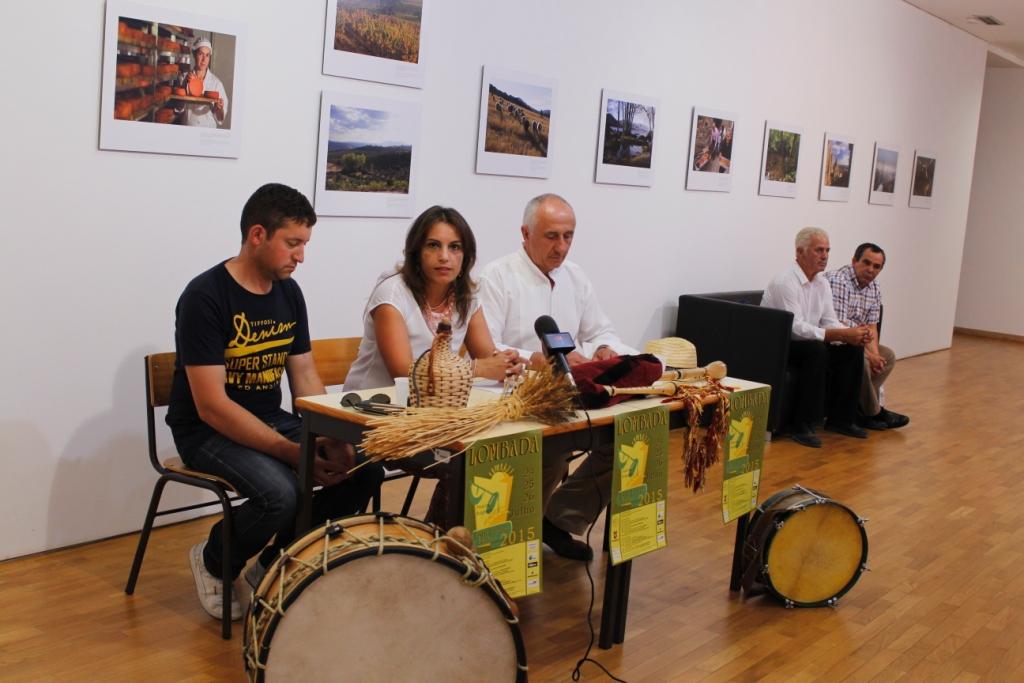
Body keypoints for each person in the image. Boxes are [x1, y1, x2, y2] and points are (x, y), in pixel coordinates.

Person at [166, 183, 383, 621]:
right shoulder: (205, 297)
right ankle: (214, 561)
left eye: (304, 244)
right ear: (258, 235)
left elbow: (304, 375)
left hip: (268, 418)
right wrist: (291, 451)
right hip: (206, 431)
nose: (300, 256)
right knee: (281, 493)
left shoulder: (289, 293)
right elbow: (211, 406)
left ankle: (274, 562)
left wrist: (330, 432)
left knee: (364, 469)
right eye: (293, 243)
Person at [478, 193, 638, 561]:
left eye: (568, 236)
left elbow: (602, 329)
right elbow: (485, 348)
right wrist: (537, 361)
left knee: (625, 441)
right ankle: (509, 538)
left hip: (571, 399)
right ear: (525, 232)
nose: (561, 247)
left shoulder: (576, 277)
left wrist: (602, 350)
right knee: (550, 448)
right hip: (514, 400)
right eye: (552, 236)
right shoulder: (497, 277)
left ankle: (558, 519)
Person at [343, 206, 523, 525]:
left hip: (433, 415)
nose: (445, 256)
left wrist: (508, 363)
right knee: (467, 461)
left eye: (455, 247)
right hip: (375, 415)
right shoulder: (392, 294)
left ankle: (444, 546)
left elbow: (488, 354)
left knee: (506, 452)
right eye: (433, 246)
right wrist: (479, 369)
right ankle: (437, 548)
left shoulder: (467, 295)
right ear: (416, 251)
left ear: (466, 256)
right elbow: (405, 371)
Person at [761, 227, 872, 448]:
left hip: (808, 341)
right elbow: (794, 327)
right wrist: (836, 334)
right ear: (800, 252)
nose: (825, 256)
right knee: (817, 351)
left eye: (827, 250)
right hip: (779, 343)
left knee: (851, 350)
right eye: (819, 250)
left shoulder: (822, 283)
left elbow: (829, 319)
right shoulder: (785, 281)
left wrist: (849, 334)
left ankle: (841, 419)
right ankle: (800, 424)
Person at [826, 243, 910, 430]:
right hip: (835, 341)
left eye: (876, 266)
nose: (871, 270)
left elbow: (872, 325)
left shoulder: (874, 287)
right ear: (854, 261)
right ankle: (874, 412)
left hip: (857, 343)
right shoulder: (838, 280)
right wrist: (869, 356)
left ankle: (858, 409)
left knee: (887, 356)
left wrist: (875, 355)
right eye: (866, 263)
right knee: (860, 360)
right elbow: (840, 327)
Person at [178, 37, 227, 128]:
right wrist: (185, 87)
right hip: (187, 130)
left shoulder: (217, 84)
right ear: (194, 54)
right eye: (201, 54)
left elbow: (220, 119)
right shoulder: (183, 78)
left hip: (207, 132)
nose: (204, 59)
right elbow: (178, 109)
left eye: (207, 55)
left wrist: (219, 109)